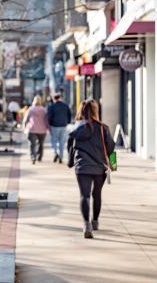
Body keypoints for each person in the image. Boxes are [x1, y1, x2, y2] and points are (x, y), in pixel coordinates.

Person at [67, 100, 115, 238]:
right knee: (97, 194)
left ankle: (86, 224)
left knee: (85, 195)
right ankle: (95, 222)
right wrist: (114, 166)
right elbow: (111, 148)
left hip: (82, 167)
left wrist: (71, 163)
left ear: (80, 111)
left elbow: (70, 149)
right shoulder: (103, 128)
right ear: (96, 111)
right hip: (100, 167)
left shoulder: (75, 129)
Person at [23, 96, 50, 164]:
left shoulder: (30, 109)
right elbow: (47, 121)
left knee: (32, 144)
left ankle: (33, 157)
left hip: (32, 129)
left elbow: (25, 120)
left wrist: (24, 127)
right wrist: (49, 129)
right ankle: (39, 158)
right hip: (42, 130)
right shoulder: (44, 110)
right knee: (41, 144)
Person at [48, 94, 71, 163]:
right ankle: (61, 157)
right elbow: (69, 115)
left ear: (54, 99)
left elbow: (49, 116)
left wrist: (51, 123)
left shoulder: (52, 106)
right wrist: (67, 122)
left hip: (55, 125)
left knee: (54, 140)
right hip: (63, 125)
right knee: (62, 142)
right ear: (60, 98)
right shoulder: (65, 105)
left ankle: (55, 152)